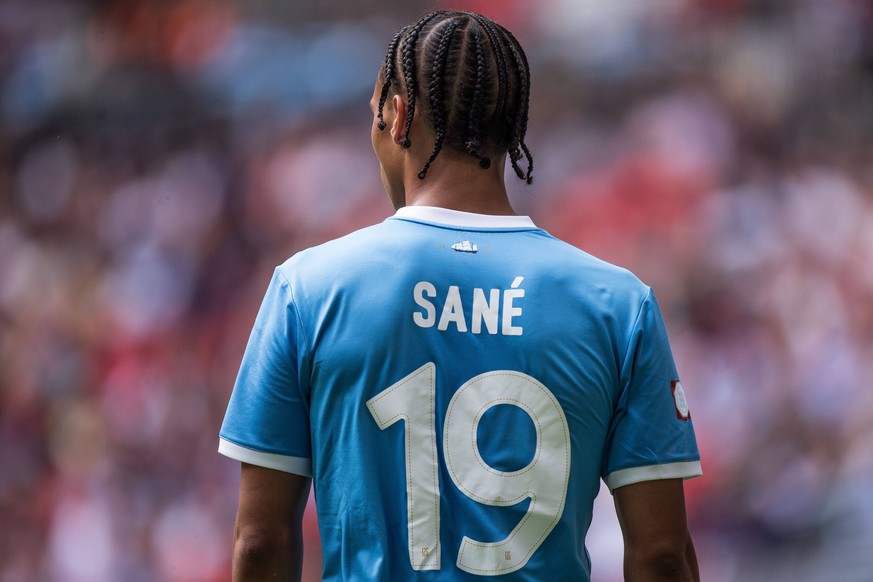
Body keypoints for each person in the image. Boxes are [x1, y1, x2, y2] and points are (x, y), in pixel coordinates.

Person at [219, 10, 702, 581]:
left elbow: (260, 540)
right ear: (509, 129)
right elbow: (662, 555)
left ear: (397, 118)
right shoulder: (619, 304)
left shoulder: (307, 289)